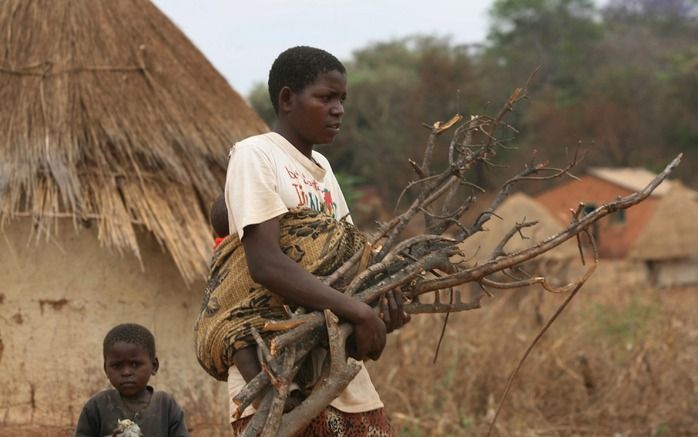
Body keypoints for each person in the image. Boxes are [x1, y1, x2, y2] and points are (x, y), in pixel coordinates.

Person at [222, 45, 409, 435]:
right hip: (275, 375)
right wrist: (358, 312)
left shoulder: (322, 168)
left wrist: (379, 307)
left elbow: (346, 264)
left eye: (341, 99)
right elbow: (266, 263)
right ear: (287, 99)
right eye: (325, 98)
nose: (338, 109)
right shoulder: (256, 155)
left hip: (339, 375)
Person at [75, 323, 189, 437]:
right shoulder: (97, 406)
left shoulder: (166, 405)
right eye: (117, 365)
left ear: (154, 366)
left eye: (135, 364)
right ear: (106, 370)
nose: (126, 372)